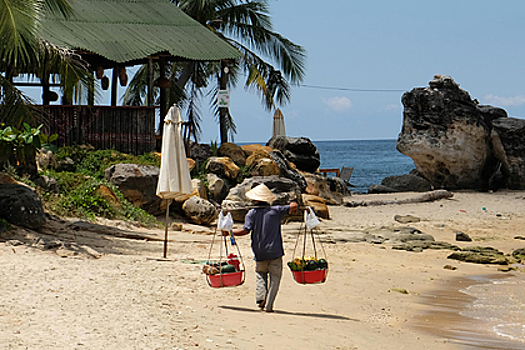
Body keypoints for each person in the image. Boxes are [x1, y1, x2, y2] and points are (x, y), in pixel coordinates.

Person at [224, 183, 298, 313]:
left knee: (260, 275)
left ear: (254, 200)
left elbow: (245, 231)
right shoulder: (276, 211)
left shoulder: (251, 214)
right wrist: (295, 205)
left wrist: (230, 232)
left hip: (259, 252)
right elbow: (293, 206)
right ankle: (269, 305)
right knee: (275, 279)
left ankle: (260, 299)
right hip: (275, 252)